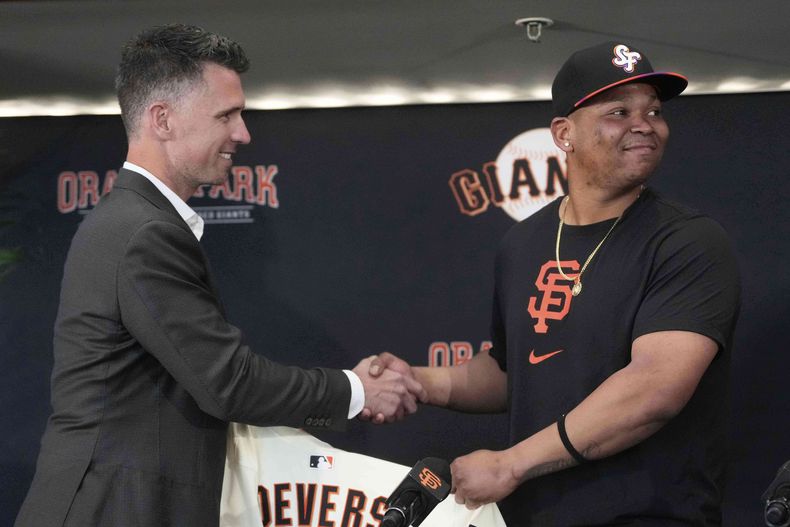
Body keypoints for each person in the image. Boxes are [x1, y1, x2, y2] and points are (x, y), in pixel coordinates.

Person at [15, 24, 424, 527]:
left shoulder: (135, 222)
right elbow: (226, 382)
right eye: (226, 115)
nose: (243, 133)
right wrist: (357, 390)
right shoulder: (143, 232)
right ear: (162, 119)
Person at [368, 41, 741, 525]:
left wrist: (511, 463)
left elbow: (654, 389)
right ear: (565, 134)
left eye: (653, 110)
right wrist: (419, 381)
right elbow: (512, 372)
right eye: (618, 111)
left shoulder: (687, 240)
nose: (644, 124)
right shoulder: (523, 243)